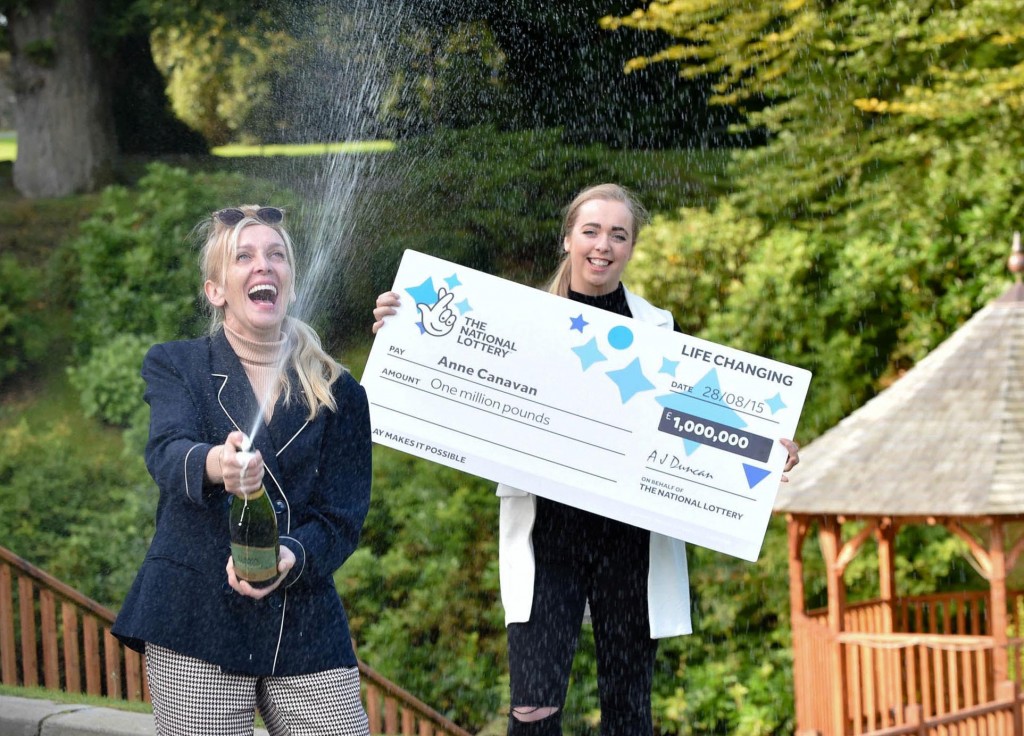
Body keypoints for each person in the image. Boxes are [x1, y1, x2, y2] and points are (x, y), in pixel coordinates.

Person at [372, 183, 799, 736]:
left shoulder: (659, 331)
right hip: (547, 539)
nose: (604, 245)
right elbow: (441, 368)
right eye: (592, 231)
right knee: (533, 710)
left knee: (629, 712)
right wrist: (398, 329)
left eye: (618, 235)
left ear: (631, 248)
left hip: (630, 543)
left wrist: (766, 447)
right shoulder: (512, 321)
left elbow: (695, 416)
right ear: (568, 238)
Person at [113, 205, 373, 736]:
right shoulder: (176, 363)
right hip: (195, 614)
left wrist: (288, 556)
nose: (263, 266)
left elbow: (341, 517)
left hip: (303, 616)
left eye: (276, 255)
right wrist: (219, 465)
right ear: (216, 290)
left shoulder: (341, 391)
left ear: (292, 285)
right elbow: (167, 450)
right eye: (244, 257)